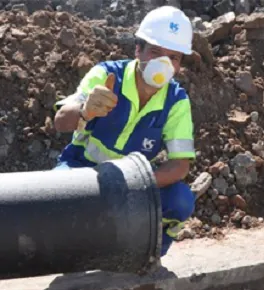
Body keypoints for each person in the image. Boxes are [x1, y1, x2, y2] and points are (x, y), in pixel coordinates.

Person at [52, 6, 196, 257]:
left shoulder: (176, 100)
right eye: (156, 52)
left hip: (133, 183)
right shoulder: (107, 76)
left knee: (180, 200)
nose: (164, 63)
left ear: (180, 64)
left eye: (173, 57)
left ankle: (147, 258)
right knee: (53, 200)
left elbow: (180, 166)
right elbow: (60, 122)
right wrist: (85, 110)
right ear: (137, 50)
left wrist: (133, 185)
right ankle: (72, 258)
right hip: (83, 170)